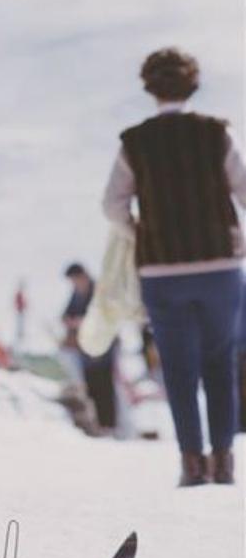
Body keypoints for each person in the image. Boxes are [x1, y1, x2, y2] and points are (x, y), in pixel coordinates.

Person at [102, 48, 246, 486]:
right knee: (220, 361)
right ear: (194, 85)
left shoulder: (134, 141)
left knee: (179, 368)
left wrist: (139, 232)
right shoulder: (216, 134)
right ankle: (223, 460)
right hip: (220, 266)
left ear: (149, 88)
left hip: (161, 271)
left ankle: (191, 463)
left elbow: (112, 205)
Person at [61, 262, 118, 433]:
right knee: (91, 385)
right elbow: (66, 314)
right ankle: (97, 424)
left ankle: (109, 425)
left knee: (105, 385)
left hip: (102, 345)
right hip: (85, 348)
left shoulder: (98, 292)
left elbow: (106, 315)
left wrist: (82, 321)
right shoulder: (76, 294)